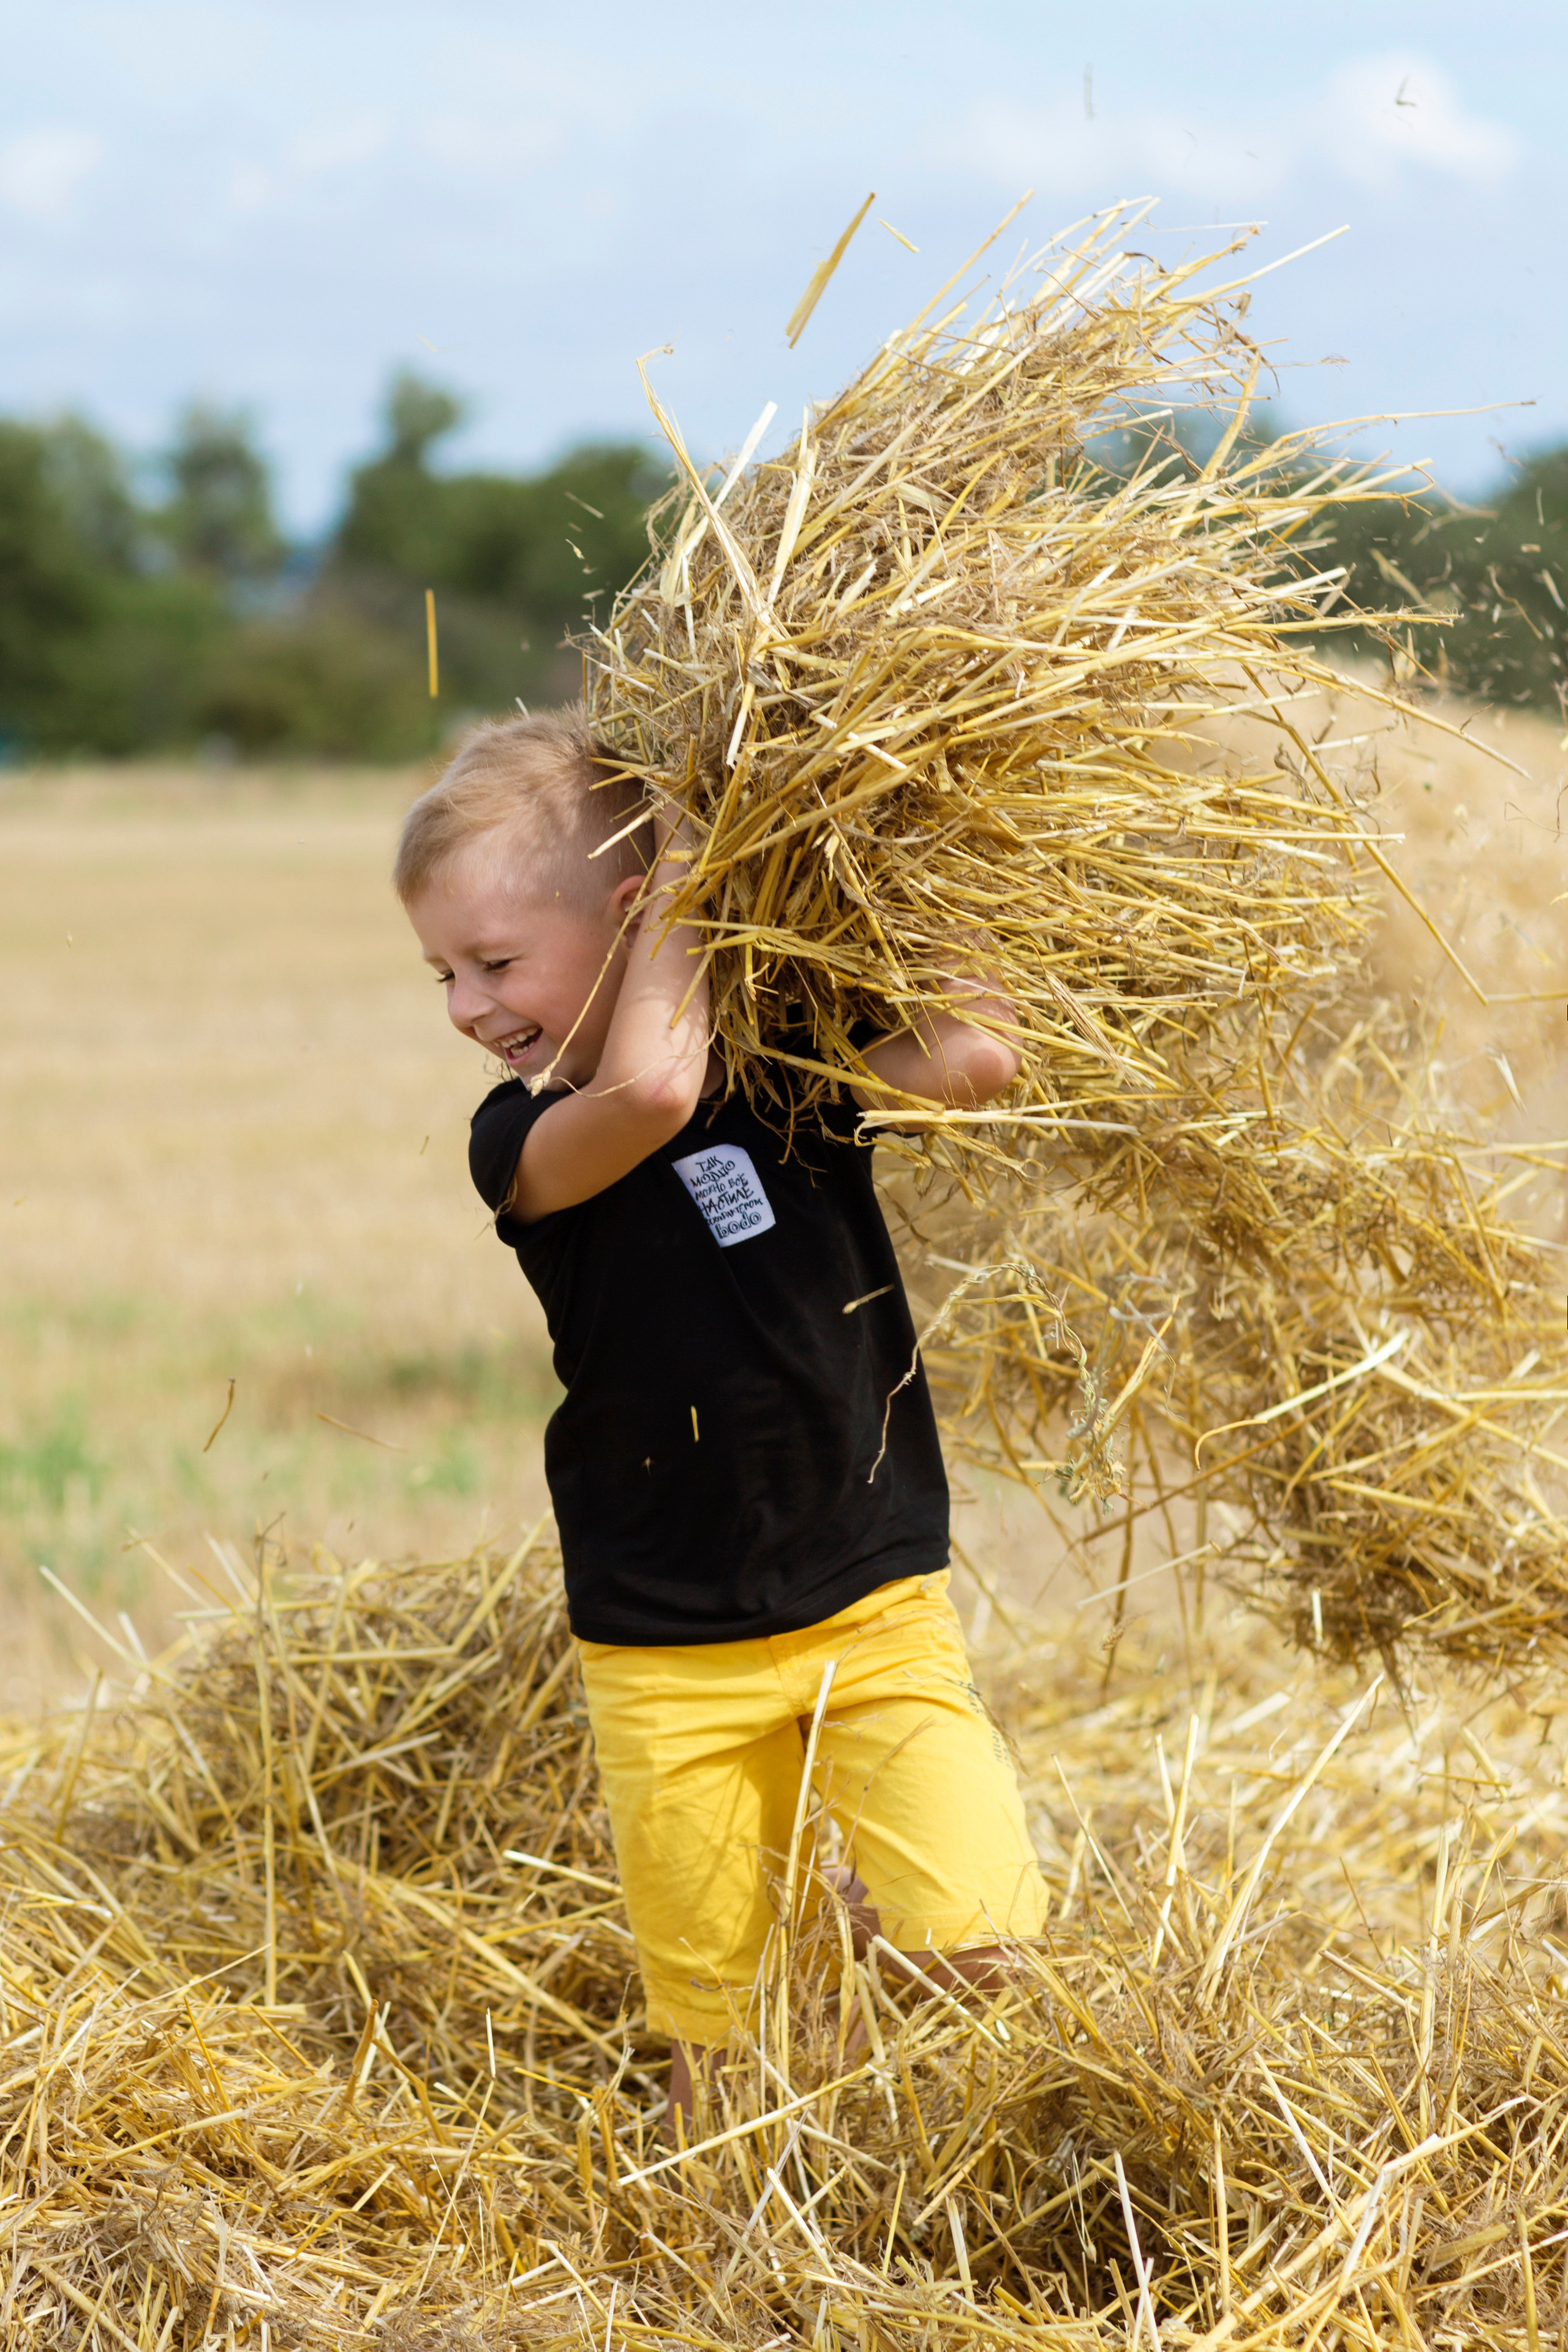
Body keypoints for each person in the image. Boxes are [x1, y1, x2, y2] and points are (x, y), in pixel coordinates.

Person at [396, 707, 1048, 2124]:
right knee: (718, 2039)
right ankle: (716, 2265)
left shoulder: (783, 1074)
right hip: (664, 1645)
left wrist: (895, 834)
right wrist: (696, 843)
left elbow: (977, 1057)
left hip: (870, 1599)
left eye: (494, 962)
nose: (463, 1005)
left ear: (636, 918)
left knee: (981, 1948)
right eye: (441, 971)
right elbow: (651, 1084)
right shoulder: (524, 1143)